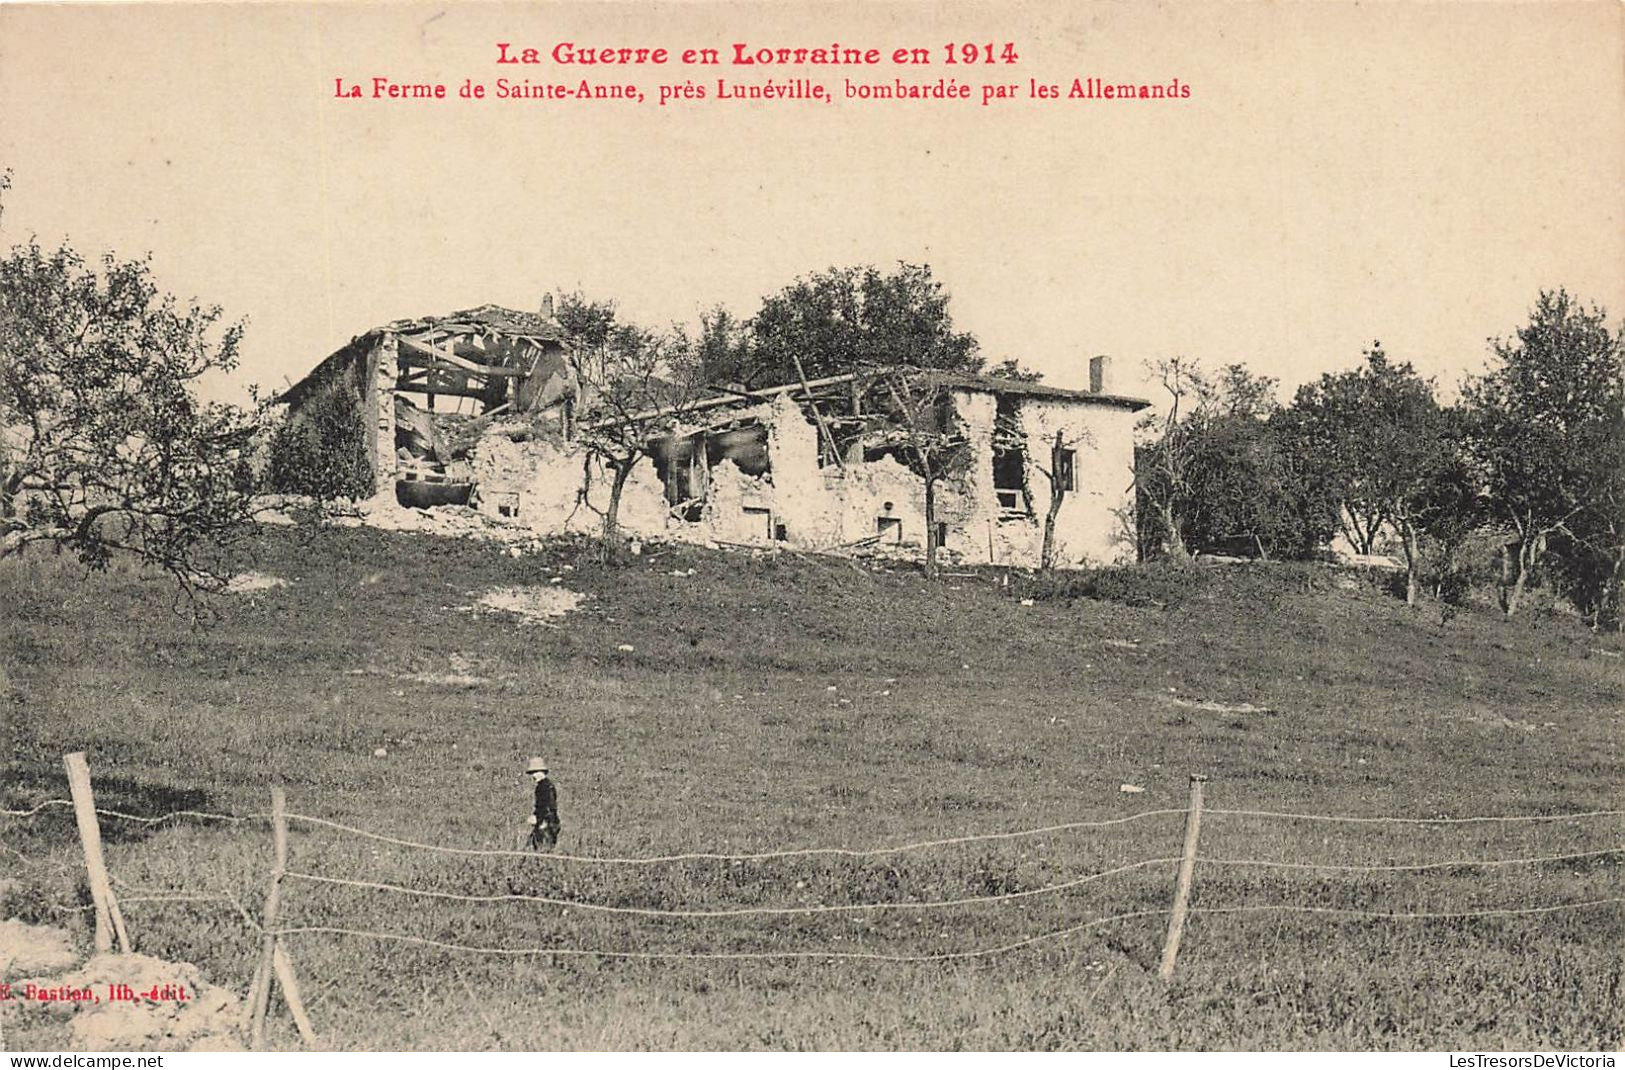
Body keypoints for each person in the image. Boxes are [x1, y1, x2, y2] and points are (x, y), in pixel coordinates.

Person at [524, 756, 560, 850]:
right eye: (532, 773)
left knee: (541, 849)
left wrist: (538, 818)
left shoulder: (543, 787)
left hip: (545, 824)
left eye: (535, 772)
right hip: (549, 823)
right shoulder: (548, 785)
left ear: (542, 772)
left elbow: (546, 806)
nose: (533, 776)